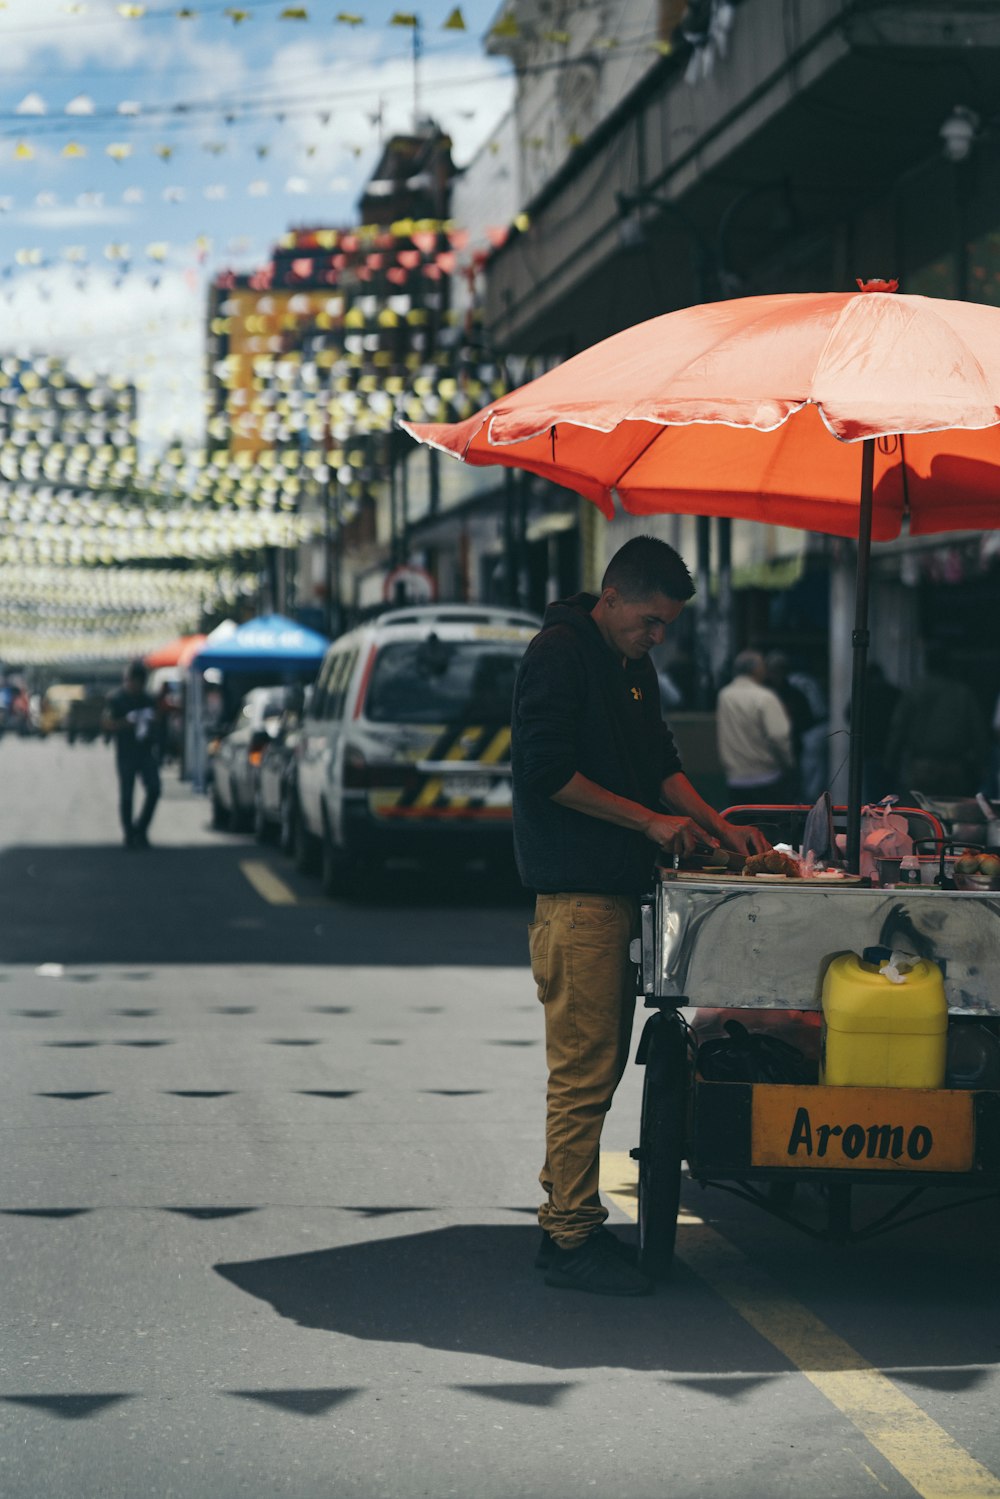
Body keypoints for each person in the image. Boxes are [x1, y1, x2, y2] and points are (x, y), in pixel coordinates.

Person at [511, 535, 767, 1297]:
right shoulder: (558, 652)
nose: (657, 637)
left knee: (601, 1066)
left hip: (619, 895)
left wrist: (719, 827)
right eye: (649, 621)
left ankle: (576, 1220)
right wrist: (646, 823)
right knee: (584, 1073)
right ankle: (567, 1237)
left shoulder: (631, 666)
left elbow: (661, 763)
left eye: (666, 627)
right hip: (577, 898)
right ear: (611, 596)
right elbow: (546, 771)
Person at [884, 651, 990, 796]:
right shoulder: (961, 693)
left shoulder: (915, 691)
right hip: (953, 767)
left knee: (921, 814)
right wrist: (981, 765)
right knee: (950, 813)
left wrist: (891, 762)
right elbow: (977, 732)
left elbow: (899, 728)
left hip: (921, 765)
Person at [716, 649, 796, 805]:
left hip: (736, 778)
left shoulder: (725, 695)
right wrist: (789, 763)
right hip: (767, 776)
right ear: (756, 670)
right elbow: (779, 735)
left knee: (741, 825)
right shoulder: (765, 697)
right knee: (771, 826)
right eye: (763, 665)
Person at [103, 660, 162, 849]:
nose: (133, 685)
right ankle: (129, 834)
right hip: (126, 751)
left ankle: (141, 828)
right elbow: (107, 723)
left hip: (145, 750)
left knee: (154, 788)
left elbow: (159, 719)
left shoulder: (148, 699)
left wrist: (151, 721)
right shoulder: (116, 699)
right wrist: (127, 723)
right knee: (127, 795)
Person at [764, 651, 815, 799]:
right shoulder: (765, 695)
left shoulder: (794, 695)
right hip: (770, 753)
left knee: (789, 792)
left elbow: (807, 720)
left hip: (791, 750)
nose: (775, 675)